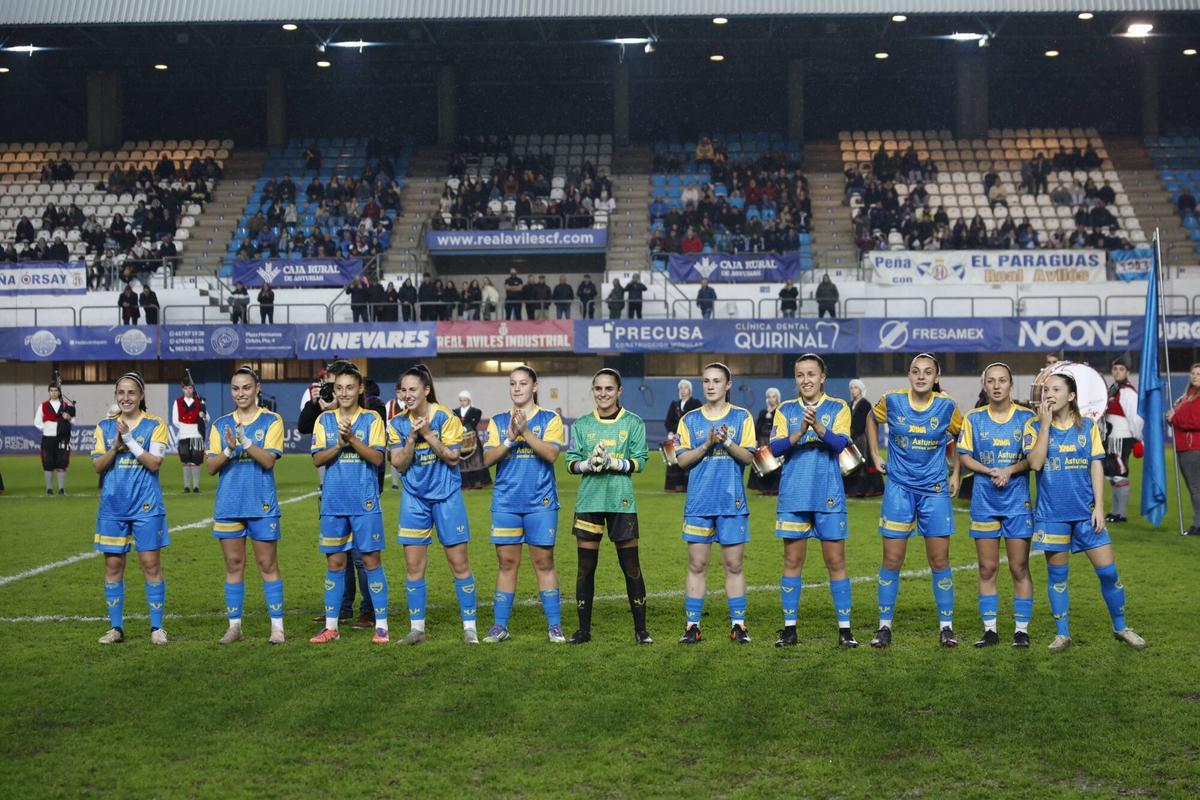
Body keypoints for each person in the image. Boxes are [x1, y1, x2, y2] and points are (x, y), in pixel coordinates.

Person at [1025, 372, 1146, 652]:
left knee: (1108, 573)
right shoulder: (1034, 426)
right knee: (1058, 578)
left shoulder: (1088, 426)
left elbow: (1095, 465)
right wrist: (1044, 426)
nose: (1048, 394)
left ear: (1071, 396)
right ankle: (1062, 634)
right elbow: (1035, 463)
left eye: (1056, 389)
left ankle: (1121, 627)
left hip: (1085, 513)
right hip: (1052, 515)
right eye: (1045, 390)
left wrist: (1100, 507)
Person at [865, 353, 963, 648]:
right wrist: (874, 453)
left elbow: (961, 435)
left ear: (936, 377)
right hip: (898, 489)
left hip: (934, 491)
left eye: (928, 372)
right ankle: (884, 627)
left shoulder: (948, 406)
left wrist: (956, 471)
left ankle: (946, 627)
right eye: (916, 371)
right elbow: (871, 418)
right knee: (892, 560)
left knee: (939, 560)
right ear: (909, 375)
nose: (921, 376)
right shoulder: (892, 401)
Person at [768, 355, 857, 647]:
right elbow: (776, 447)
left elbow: (840, 443)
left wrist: (817, 426)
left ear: (822, 378)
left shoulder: (838, 407)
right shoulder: (785, 410)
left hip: (828, 493)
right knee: (792, 560)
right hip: (794, 495)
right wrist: (800, 431)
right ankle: (789, 629)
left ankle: (845, 631)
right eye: (800, 375)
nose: (805, 380)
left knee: (836, 561)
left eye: (811, 374)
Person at [387, 365, 478, 645]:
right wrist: (412, 437)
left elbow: (452, 457)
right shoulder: (397, 424)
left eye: (413, 389)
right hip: (414, 499)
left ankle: (470, 628)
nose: (408, 395)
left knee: (459, 563)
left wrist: (427, 432)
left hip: (447, 497)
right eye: (404, 390)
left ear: (426, 390)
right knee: (414, 567)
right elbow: (399, 464)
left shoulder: (445, 417)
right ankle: (417, 630)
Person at [564, 368, 652, 644]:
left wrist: (615, 463)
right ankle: (583, 630)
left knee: (631, 567)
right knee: (585, 569)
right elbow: (570, 463)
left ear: (619, 391)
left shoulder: (633, 423)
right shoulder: (581, 425)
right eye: (598, 389)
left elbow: (642, 460)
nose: (603, 394)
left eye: (609, 389)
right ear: (593, 390)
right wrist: (587, 464)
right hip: (589, 501)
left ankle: (641, 630)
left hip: (621, 502)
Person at [480, 367, 566, 643]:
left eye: (523, 383)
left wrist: (525, 432)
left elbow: (551, 454)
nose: (517, 388)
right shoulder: (497, 421)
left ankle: (554, 626)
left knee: (544, 563)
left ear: (535, 387)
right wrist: (508, 438)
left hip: (540, 503)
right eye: (513, 384)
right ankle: (500, 626)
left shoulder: (550, 419)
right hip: (506, 503)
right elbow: (487, 459)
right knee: (506, 564)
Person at [308, 361, 390, 645]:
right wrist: (339, 445)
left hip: (364, 501)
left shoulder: (372, 420)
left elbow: (378, 459)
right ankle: (331, 627)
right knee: (335, 563)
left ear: (360, 389)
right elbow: (317, 458)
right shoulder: (324, 421)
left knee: (371, 561)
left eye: (349, 387)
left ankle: (381, 626)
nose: (344, 393)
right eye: (339, 388)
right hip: (333, 502)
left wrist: (352, 439)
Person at [675, 363, 757, 644]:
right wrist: (708, 444)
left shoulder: (742, 417)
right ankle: (692, 626)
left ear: (728, 385)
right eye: (706, 381)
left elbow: (749, 458)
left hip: (731, 502)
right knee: (697, 564)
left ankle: (738, 625)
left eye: (717, 381)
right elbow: (681, 460)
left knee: (733, 565)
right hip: (699, 504)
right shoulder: (689, 420)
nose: (711, 386)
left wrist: (728, 441)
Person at [957, 363, 1037, 648]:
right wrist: (989, 470)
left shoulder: (1027, 418)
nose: (997, 385)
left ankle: (1021, 631)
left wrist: (1009, 470)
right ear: (984, 385)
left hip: (1017, 503)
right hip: (984, 502)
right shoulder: (974, 418)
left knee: (1019, 568)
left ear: (1011, 385)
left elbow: (1034, 458)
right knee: (987, 568)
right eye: (991, 381)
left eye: (1002, 380)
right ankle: (990, 630)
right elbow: (964, 454)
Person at [205, 366, 287, 644]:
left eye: (246, 387)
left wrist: (245, 440)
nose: (241, 393)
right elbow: (211, 468)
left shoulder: (272, 421)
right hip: (229, 505)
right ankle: (234, 627)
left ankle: (277, 628)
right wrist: (229, 449)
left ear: (257, 388)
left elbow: (267, 461)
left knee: (267, 564)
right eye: (236, 388)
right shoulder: (219, 424)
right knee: (234, 564)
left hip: (261, 504)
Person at [91, 372, 171, 645]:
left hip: (146, 505)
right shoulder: (104, 426)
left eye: (131, 393)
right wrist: (114, 447)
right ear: (116, 396)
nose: (126, 398)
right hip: (113, 506)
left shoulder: (155, 425)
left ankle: (157, 628)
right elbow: (98, 466)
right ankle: (116, 628)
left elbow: (154, 463)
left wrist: (130, 441)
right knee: (113, 566)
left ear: (141, 396)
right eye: (121, 393)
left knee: (151, 564)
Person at [1104, 357, 1143, 524]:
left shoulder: (1128, 392)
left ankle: (1121, 514)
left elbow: (1135, 418)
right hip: (1111, 438)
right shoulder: (1113, 389)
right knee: (1113, 474)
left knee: (1120, 473)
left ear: (1128, 372)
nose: (1117, 372)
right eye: (1115, 368)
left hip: (1122, 438)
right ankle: (1114, 511)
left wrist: (1138, 439)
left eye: (1121, 369)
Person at [1168, 363, 1200, 536]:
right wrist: (1172, 416)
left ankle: (1198, 524)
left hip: (1194, 447)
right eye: (1193, 373)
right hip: (1184, 447)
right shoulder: (1188, 395)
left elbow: (1195, 421)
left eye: (1198, 374)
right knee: (1194, 487)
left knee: (1196, 488)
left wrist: (1175, 418)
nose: (1195, 376)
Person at [845, 379, 884, 497]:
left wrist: (854, 434)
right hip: (851, 438)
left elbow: (863, 422)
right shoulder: (849, 404)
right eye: (851, 388)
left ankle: (867, 489)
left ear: (861, 389)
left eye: (855, 388)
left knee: (864, 463)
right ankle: (853, 489)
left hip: (861, 438)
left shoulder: (865, 404)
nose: (853, 390)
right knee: (851, 464)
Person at [35, 383, 75, 495]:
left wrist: (69, 417)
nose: (53, 393)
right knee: (48, 462)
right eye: (51, 390)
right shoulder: (42, 406)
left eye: (55, 390)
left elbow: (73, 420)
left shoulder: (65, 405)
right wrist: (48, 428)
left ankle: (62, 489)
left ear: (59, 392)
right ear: (48, 392)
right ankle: (49, 489)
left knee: (62, 462)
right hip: (48, 438)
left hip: (62, 438)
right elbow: (37, 422)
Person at [664, 379, 701, 493]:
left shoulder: (696, 403)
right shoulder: (674, 404)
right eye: (681, 388)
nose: (683, 390)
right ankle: (676, 486)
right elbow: (668, 421)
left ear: (690, 390)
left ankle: (689, 486)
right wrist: (671, 431)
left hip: (690, 437)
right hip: (676, 438)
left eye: (685, 388)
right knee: (675, 461)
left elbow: (699, 419)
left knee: (688, 460)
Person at [172, 378, 208, 494]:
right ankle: (187, 486)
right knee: (185, 460)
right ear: (182, 389)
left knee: (196, 461)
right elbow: (175, 420)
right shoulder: (177, 402)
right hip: (183, 435)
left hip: (197, 435)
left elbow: (208, 418)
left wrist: (203, 416)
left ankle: (196, 486)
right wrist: (186, 427)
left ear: (193, 389)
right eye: (185, 388)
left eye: (190, 388)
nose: (187, 390)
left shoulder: (200, 402)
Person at [748, 387, 782, 495]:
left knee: (774, 467)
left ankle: (775, 489)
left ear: (777, 398)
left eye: (773, 396)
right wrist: (755, 439)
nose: (771, 399)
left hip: (773, 442)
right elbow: (758, 427)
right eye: (769, 397)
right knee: (762, 466)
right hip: (762, 442)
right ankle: (764, 489)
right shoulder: (763, 412)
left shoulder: (780, 412)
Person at [455, 390, 490, 490]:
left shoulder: (476, 411)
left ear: (469, 400)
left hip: (473, 439)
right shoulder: (455, 412)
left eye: (465, 400)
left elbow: (474, 422)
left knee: (476, 461)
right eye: (461, 400)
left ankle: (477, 483)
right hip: (461, 439)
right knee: (462, 463)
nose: (463, 402)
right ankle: (464, 484)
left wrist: (466, 428)